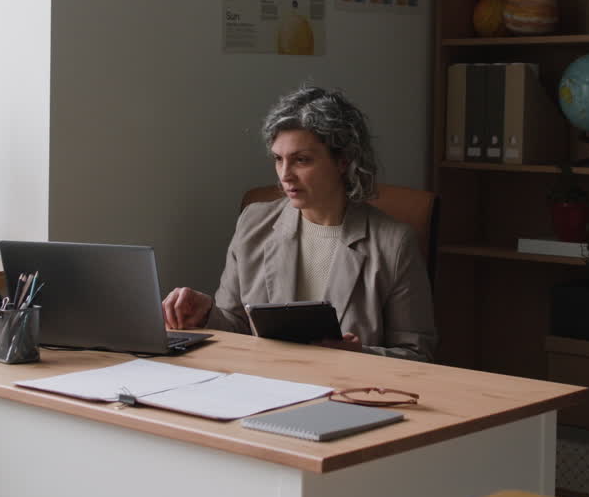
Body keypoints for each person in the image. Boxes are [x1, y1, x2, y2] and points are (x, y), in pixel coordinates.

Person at [162, 86, 436, 361]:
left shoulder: (394, 244)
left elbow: (418, 355)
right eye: (278, 159)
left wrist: (359, 356)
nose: (285, 175)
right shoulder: (253, 223)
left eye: (301, 160)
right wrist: (206, 313)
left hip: (346, 385)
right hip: (265, 381)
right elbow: (236, 327)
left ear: (343, 161)